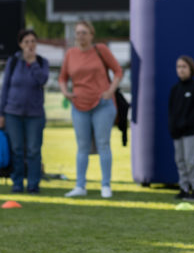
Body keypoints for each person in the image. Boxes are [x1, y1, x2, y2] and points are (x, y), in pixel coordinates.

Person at [58, 21, 123, 199]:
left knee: (103, 144)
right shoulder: (70, 54)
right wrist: (65, 92)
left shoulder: (100, 50)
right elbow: (62, 77)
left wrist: (111, 91)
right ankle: (80, 185)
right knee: (82, 146)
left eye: (84, 32)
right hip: (79, 106)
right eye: (78, 33)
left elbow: (118, 71)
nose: (80, 36)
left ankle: (106, 185)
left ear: (91, 34)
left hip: (102, 105)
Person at [0, 29, 49, 193]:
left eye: (33, 41)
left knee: (34, 150)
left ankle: (33, 184)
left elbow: (42, 80)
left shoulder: (42, 62)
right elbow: (5, 87)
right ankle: (17, 182)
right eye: (26, 42)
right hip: (13, 113)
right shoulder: (13, 62)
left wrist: (33, 62)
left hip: (35, 115)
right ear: (21, 44)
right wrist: (1, 113)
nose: (30, 45)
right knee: (16, 149)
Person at [168, 55, 194, 202]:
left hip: (190, 132)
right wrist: (173, 127)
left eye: (184, 67)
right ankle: (184, 188)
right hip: (177, 133)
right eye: (178, 67)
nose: (181, 70)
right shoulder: (175, 89)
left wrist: (186, 123)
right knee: (180, 161)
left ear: (190, 69)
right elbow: (171, 111)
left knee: (190, 161)